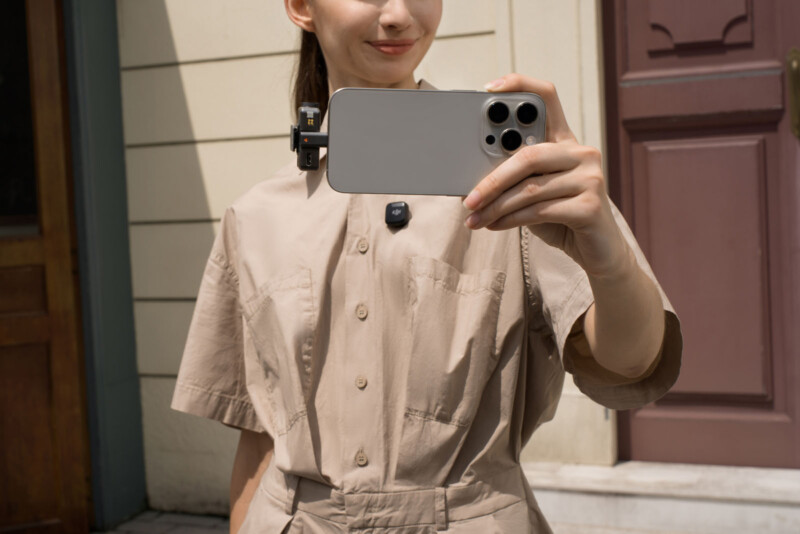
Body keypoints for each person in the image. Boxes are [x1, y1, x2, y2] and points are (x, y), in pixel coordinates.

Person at [170, 1, 682, 532]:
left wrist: (606, 255)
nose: (398, 16)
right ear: (301, 6)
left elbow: (632, 363)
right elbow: (258, 440)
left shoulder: (516, 188)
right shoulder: (255, 217)